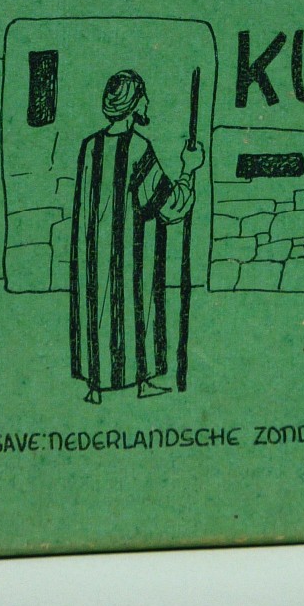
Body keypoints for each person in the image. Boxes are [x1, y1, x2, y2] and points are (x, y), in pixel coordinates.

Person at [69, 70, 204, 403]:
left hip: (94, 256)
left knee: (97, 311)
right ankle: (141, 381)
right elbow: (169, 205)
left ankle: (97, 386)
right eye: (143, 96)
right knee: (135, 309)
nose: (147, 102)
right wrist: (189, 169)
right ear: (132, 104)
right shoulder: (139, 148)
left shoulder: (90, 147)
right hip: (132, 257)